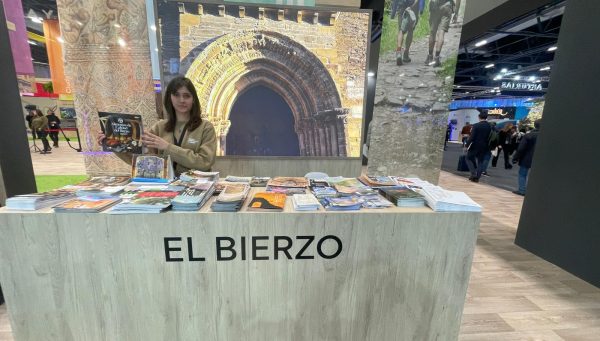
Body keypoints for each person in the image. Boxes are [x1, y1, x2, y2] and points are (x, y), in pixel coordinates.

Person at [97, 76, 217, 175]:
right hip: (164, 187)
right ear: (170, 98)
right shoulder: (159, 127)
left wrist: (167, 147)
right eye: (176, 95)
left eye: (187, 96)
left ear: (193, 99)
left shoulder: (206, 127)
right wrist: (113, 144)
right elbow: (142, 161)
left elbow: (204, 162)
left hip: (197, 187)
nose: (182, 100)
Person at [512, 119, 541, 196]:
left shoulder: (529, 135)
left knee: (522, 174)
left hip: (526, 158)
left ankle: (522, 190)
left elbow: (521, 148)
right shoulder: (546, 136)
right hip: (540, 160)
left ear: (535, 125)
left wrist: (515, 158)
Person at [425, 0, 455, 67]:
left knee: (432, 32)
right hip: (447, 7)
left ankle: (430, 57)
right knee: (441, 33)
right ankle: (437, 58)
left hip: (435, 7)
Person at [391, 0, 421, 66]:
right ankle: (406, 53)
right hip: (413, 8)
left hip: (401, 6)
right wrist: (413, 7)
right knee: (410, 31)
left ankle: (398, 52)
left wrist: (393, 11)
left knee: (401, 30)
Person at [465, 112, 492, 182]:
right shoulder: (489, 126)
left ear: (479, 117)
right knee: (480, 161)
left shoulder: (476, 125)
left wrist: (467, 145)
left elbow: (472, 137)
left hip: (475, 145)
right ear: (486, 117)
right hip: (484, 146)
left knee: (468, 158)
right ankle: (477, 177)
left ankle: (473, 173)